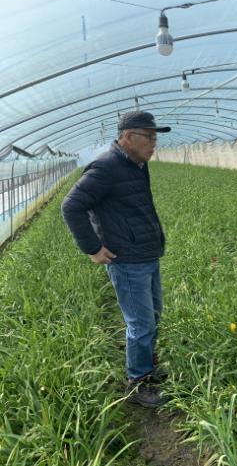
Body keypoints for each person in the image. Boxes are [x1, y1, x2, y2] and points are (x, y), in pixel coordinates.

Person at [61, 111, 170, 408]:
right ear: (128, 137)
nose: (154, 143)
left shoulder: (136, 165)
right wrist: (93, 249)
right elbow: (71, 206)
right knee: (141, 324)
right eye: (149, 137)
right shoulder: (106, 167)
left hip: (146, 254)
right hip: (128, 260)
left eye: (156, 138)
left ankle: (147, 363)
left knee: (153, 315)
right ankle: (138, 381)